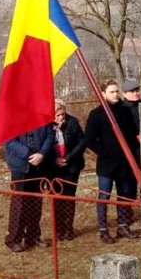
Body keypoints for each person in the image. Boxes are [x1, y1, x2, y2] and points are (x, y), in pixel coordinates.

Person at [84, 79, 141, 243]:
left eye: (117, 91)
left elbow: (132, 135)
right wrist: (104, 152)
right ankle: (103, 229)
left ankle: (123, 225)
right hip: (107, 164)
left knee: (124, 195)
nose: (115, 94)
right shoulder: (96, 114)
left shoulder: (125, 111)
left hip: (125, 162)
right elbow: (89, 139)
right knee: (104, 196)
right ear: (103, 94)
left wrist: (131, 153)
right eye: (111, 92)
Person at [3, 124, 54, 252]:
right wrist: (29, 154)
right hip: (20, 165)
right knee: (19, 203)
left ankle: (33, 236)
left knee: (36, 202)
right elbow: (9, 141)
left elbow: (50, 135)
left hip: (39, 164)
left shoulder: (42, 117)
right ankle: (14, 239)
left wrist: (42, 154)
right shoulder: (13, 117)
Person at [47, 100, 87, 241]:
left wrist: (68, 158)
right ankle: (58, 229)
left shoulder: (72, 122)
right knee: (56, 198)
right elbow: (43, 145)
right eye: (57, 115)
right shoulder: (46, 125)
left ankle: (68, 229)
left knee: (69, 197)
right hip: (53, 167)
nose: (61, 118)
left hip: (71, 165)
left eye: (63, 114)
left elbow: (81, 142)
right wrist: (54, 159)